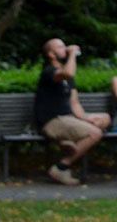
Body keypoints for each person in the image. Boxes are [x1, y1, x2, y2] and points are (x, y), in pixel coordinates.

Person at [34, 37, 111, 186]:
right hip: (53, 121)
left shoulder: (68, 78)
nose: (66, 48)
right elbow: (68, 73)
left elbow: (75, 104)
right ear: (51, 54)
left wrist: (87, 119)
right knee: (95, 133)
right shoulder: (49, 71)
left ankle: (66, 142)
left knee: (105, 118)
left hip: (68, 119)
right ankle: (61, 167)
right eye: (60, 47)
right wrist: (73, 54)